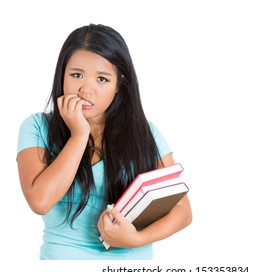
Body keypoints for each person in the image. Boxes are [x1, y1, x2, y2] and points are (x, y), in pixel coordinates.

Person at [16, 23, 192, 260]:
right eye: (76, 75)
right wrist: (79, 135)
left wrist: (136, 239)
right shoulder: (37, 126)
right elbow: (40, 201)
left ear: (120, 84)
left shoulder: (145, 132)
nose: (86, 89)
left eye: (102, 79)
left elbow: (182, 211)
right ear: (62, 75)